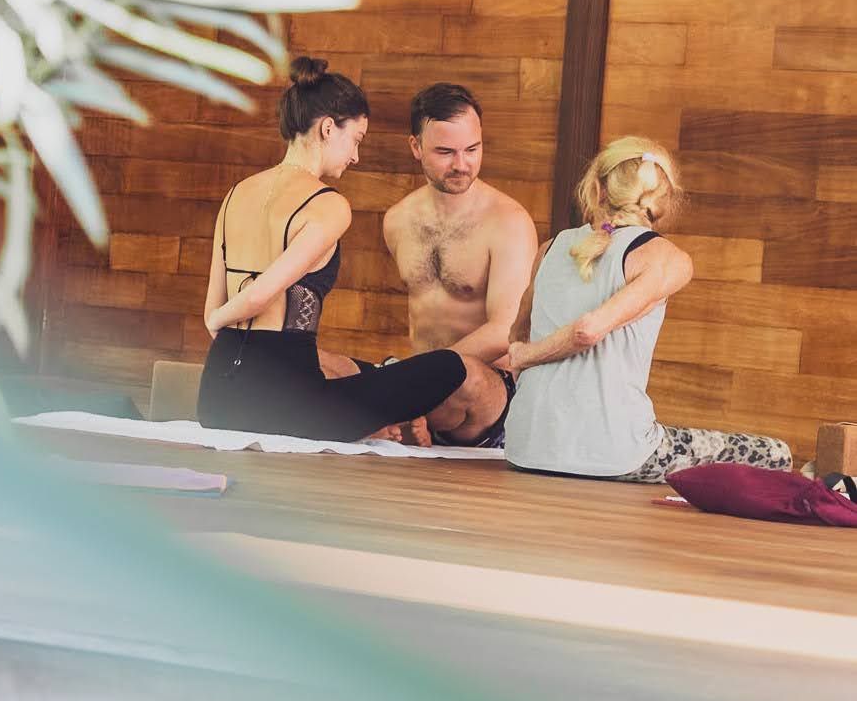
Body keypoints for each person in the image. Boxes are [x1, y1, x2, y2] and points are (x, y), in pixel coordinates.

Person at [198, 57, 509, 443]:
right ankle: (366, 417)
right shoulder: (328, 204)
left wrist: (219, 322)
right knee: (448, 366)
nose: (356, 156)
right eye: (356, 139)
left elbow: (213, 307)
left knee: (367, 373)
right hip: (288, 404)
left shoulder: (235, 195)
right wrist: (220, 318)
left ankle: (367, 409)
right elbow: (259, 295)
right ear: (328, 128)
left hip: (215, 398)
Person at [503, 136, 792, 481]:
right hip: (613, 454)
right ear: (663, 201)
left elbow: (517, 332)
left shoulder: (550, 248)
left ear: (598, 189)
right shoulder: (667, 258)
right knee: (775, 453)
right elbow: (587, 330)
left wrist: (524, 356)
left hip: (525, 448)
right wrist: (525, 356)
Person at [376, 83, 538, 447]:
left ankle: (406, 411)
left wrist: (416, 379)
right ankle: (410, 413)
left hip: (483, 388)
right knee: (327, 368)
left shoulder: (508, 222)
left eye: (472, 149)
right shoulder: (398, 219)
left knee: (466, 381)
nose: (462, 165)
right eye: (446, 152)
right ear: (416, 147)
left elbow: (506, 330)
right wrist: (414, 380)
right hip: (421, 379)